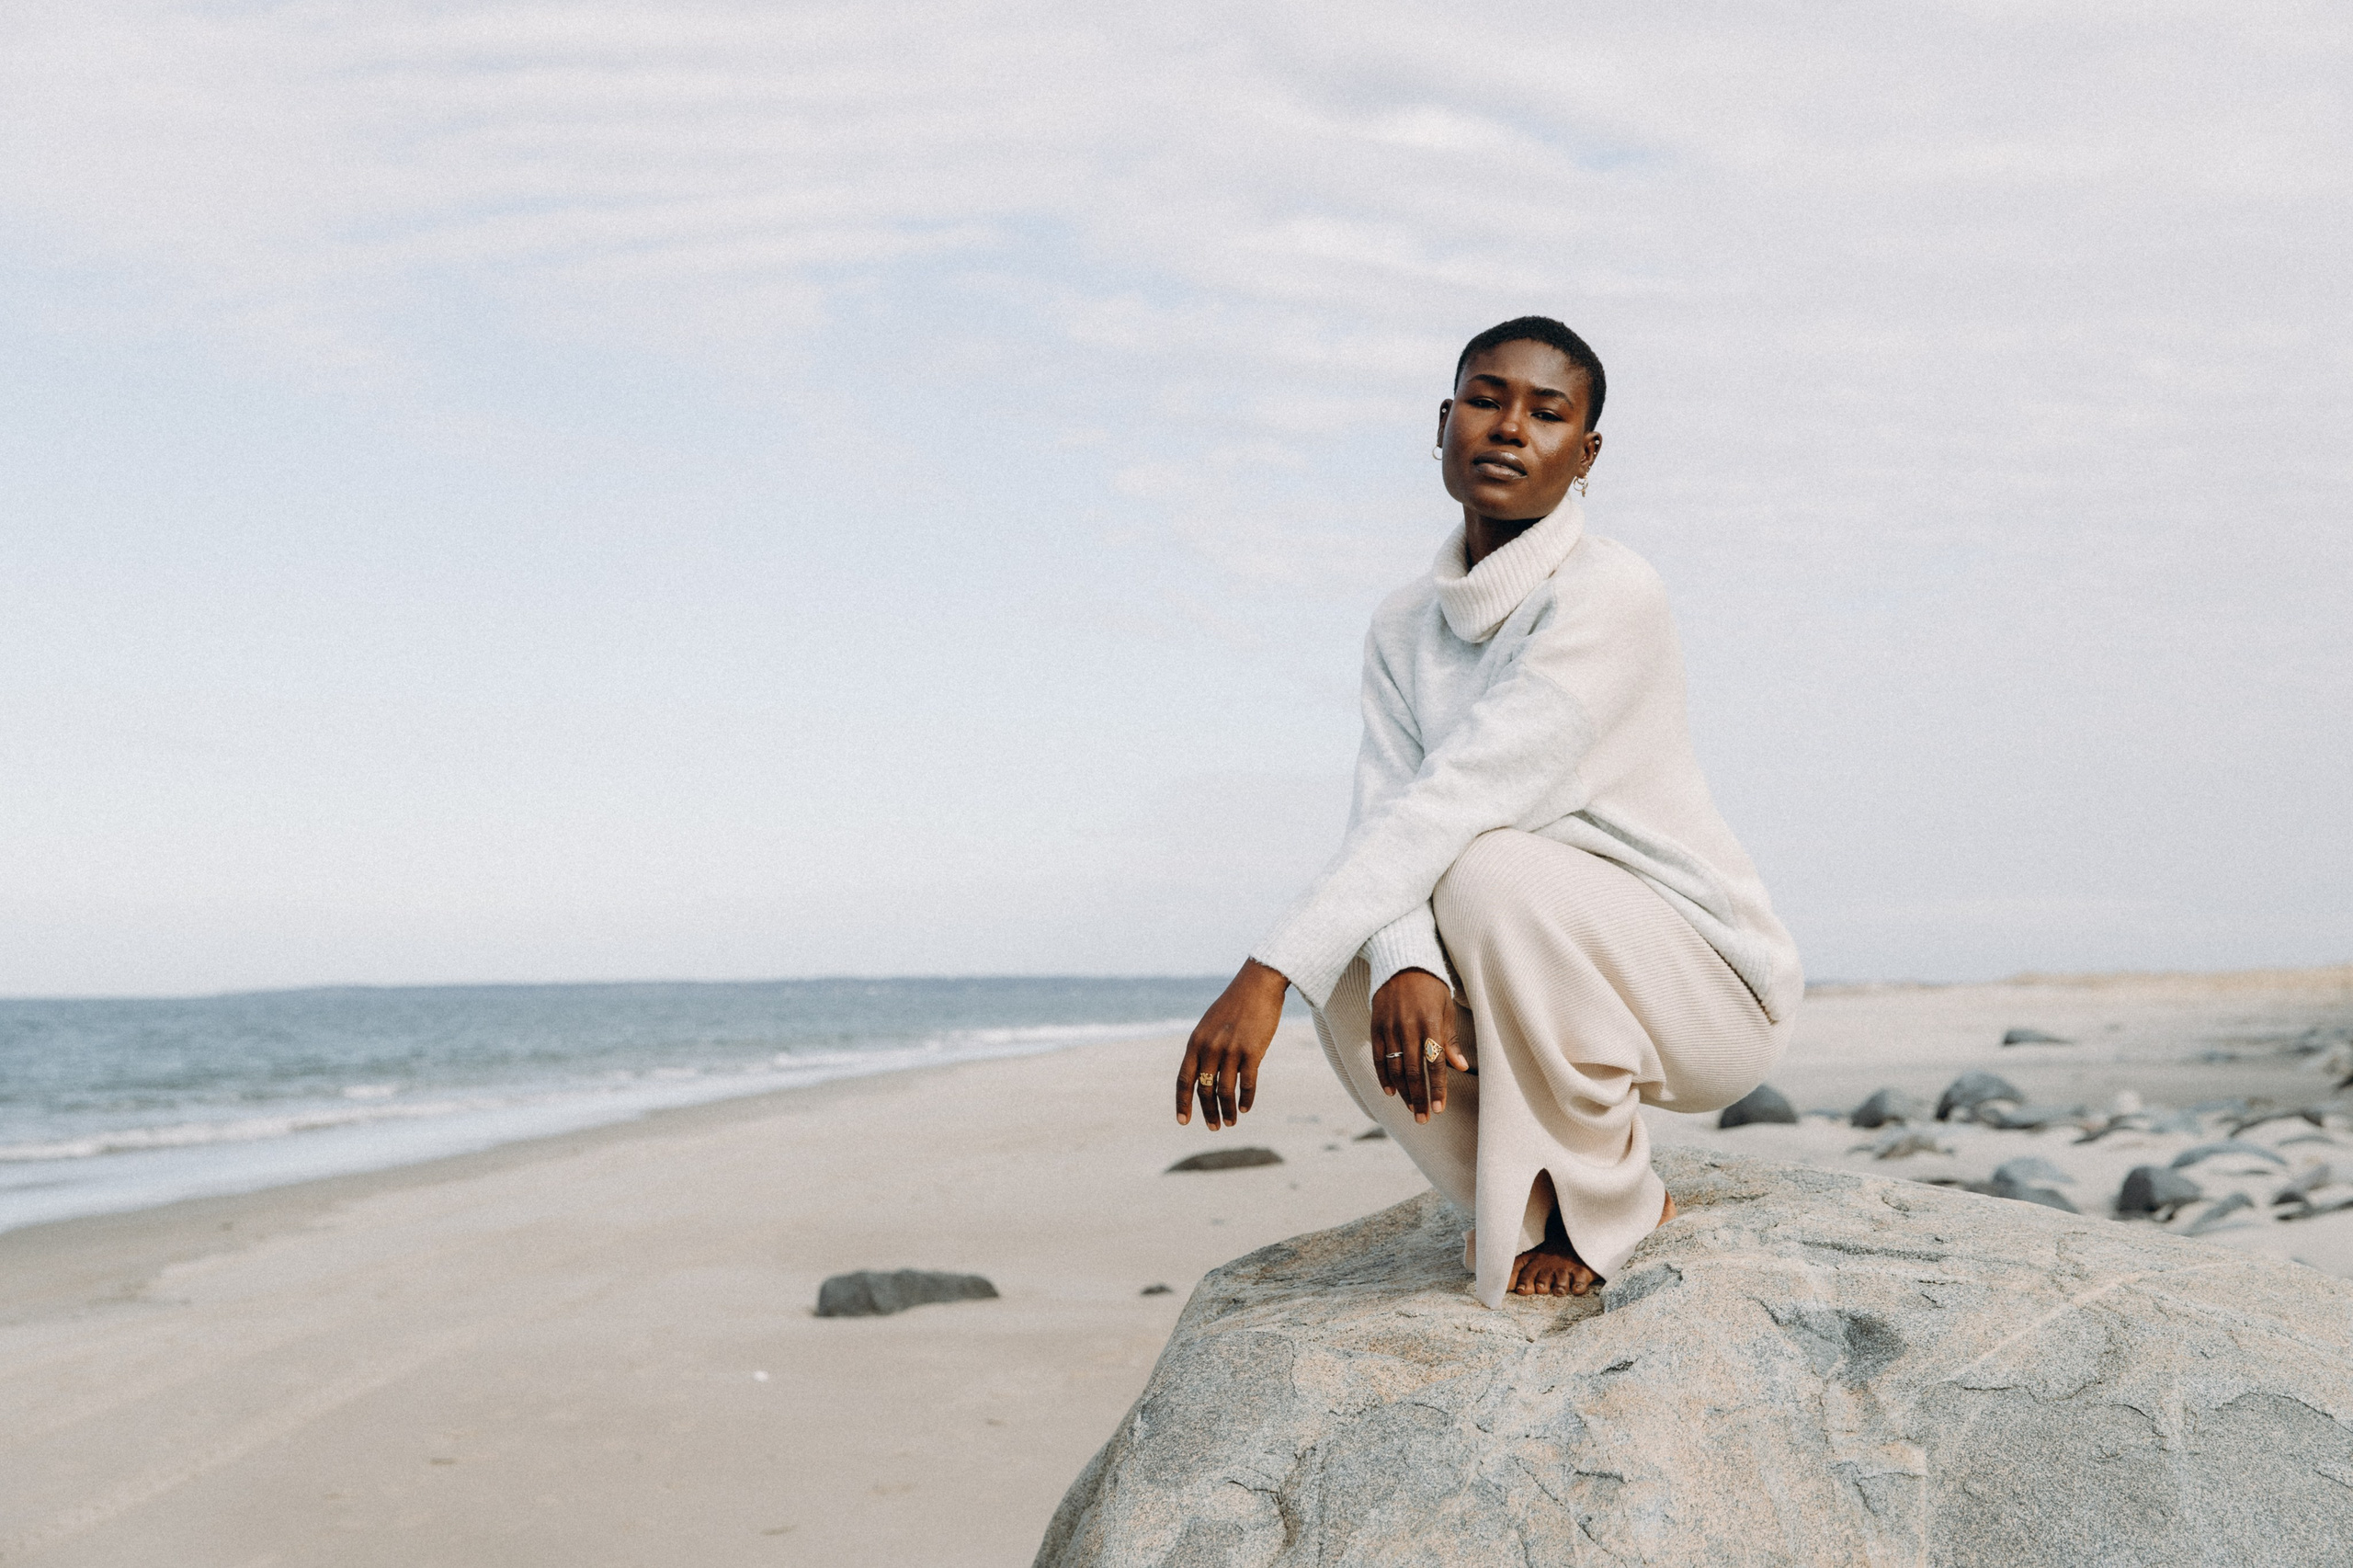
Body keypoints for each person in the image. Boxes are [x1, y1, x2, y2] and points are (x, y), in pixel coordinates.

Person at [1173, 316, 1802, 1308]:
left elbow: (1461, 796)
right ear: (1442, 421)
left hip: (1701, 989)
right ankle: (1522, 1204)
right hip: (1523, 932)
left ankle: (1612, 1199)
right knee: (1362, 953)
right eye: (1484, 398)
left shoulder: (1611, 594)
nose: (1508, 428)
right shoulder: (1400, 622)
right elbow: (1387, 808)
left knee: (1478, 863)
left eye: (1546, 413)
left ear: (1584, 455)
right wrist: (1395, 958)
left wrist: (1263, 972)